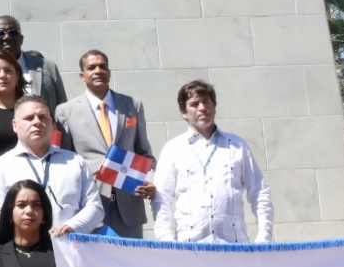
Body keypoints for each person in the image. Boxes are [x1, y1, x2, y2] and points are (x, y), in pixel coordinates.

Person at [151, 80, 273, 243]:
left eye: (206, 102)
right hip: (191, 247)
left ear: (214, 107)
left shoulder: (236, 145)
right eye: (194, 104)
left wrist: (264, 235)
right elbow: (161, 197)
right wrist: (165, 238)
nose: (202, 108)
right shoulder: (173, 149)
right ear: (184, 112)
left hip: (233, 245)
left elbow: (259, 191)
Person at [54, 49, 156, 239]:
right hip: (89, 205)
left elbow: (144, 153)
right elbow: (63, 160)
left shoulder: (133, 105)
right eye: (91, 67)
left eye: (102, 66)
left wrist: (150, 179)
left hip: (128, 206)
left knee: (129, 265)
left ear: (109, 72)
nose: (98, 71)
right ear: (82, 76)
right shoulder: (65, 111)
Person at [0, 96, 104, 240]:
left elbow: (95, 207)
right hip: (22, 254)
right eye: (29, 118)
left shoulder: (75, 161)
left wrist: (72, 227)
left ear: (51, 123)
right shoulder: (0, 166)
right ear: (15, 125)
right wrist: (28, 237)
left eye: (43, 117)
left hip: (69, 248)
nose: (37, 122)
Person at [0, 17, 68, 124]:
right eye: (0, 34)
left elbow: (62, 112)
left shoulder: (47, 67)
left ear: (21, 39)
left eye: (13, 32)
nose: (7, 37)